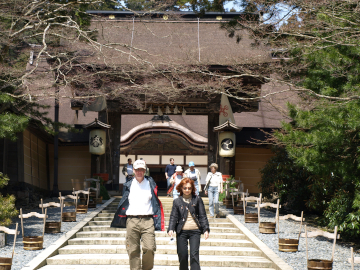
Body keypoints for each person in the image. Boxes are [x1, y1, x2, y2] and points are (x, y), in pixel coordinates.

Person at [111, 159, 163, 270]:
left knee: (149, 248)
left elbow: (155, 203)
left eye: (142, 169)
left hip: (147, 220)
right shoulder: (128, 185)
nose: (139, 172)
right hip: (132, 220)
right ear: (133, 170)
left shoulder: (151, 184)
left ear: (145, 171)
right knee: (133, 250)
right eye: (137, 169)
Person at [168, 178, 210, 270]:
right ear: (181, 189)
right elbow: (173, 216)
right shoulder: (177, 201)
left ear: (192, 189)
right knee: (182, 255)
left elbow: (203, 216)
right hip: (181, 232)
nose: (187, 190)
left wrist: (206, 229)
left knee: (194, 256)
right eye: (185, 188)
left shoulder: (197, 199)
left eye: (189, 188)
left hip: (195, 231)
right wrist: (171, 228)